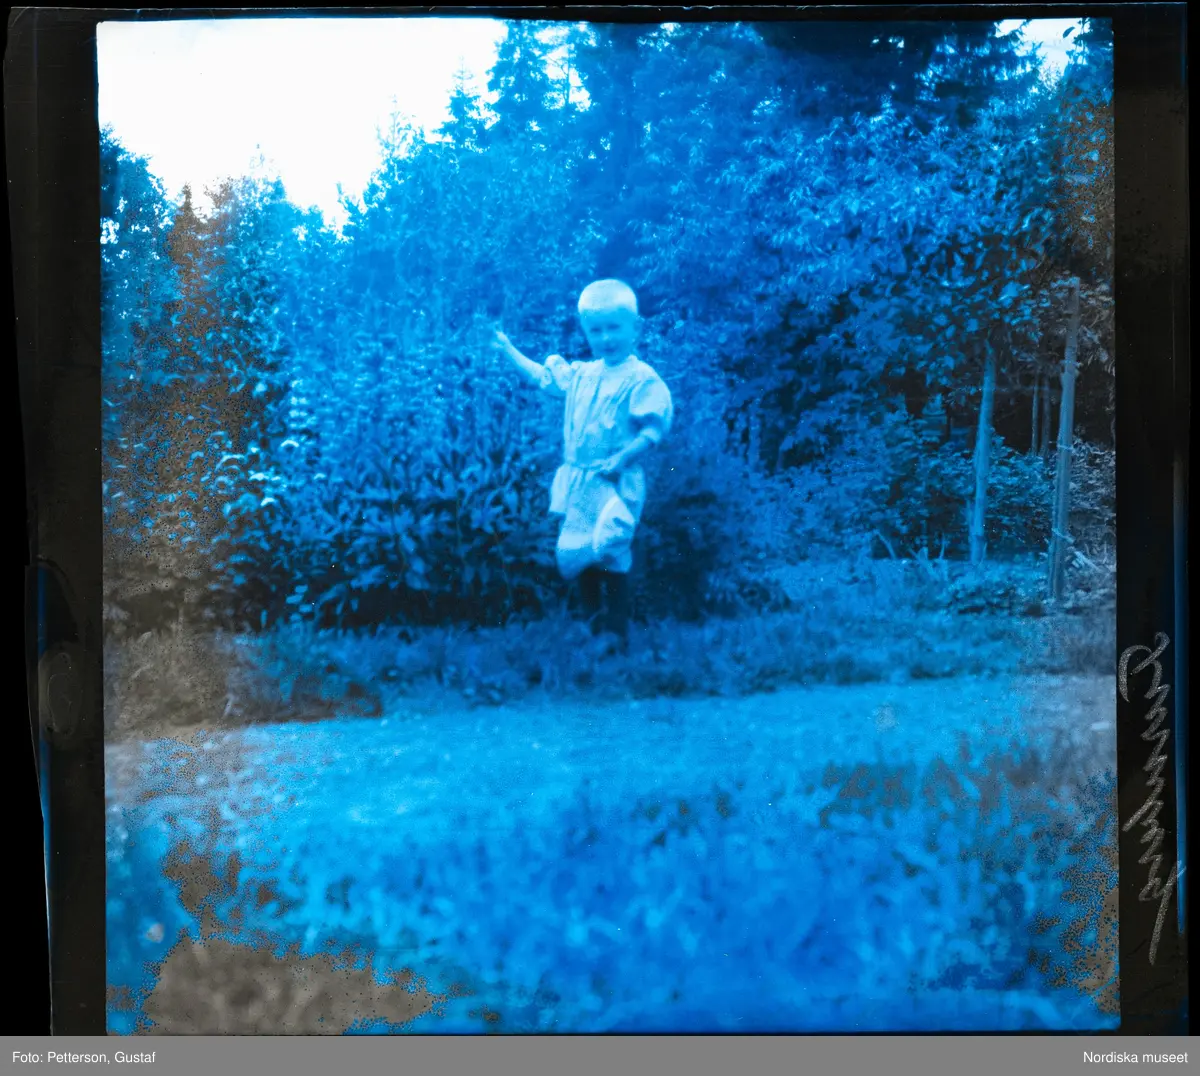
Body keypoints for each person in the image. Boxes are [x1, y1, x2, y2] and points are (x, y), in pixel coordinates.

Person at [492, 279, 673, 645]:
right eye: (596, 330)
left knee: (611, 548)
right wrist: (507, 349)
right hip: (580, 479)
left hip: (615, 479)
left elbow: (653, 429)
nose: (606, 338)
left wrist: (622, 457)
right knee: (579, 550)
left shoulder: (641, 379)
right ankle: (591, 630)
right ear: (586, 332)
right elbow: (543, 377)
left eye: (614, 328)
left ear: (635, 328)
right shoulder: (583, 375)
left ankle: (617, 637)